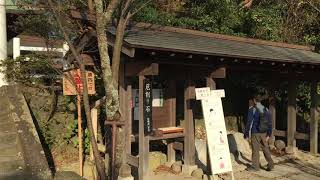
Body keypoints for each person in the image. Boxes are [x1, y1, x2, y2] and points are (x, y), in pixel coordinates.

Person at [244, 94, 274, 171]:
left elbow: (248, 122)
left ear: (254, 100)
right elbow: (270, 122)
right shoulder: (265, 109)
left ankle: (255, 167)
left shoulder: (252, 110)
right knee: (265, 148)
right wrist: (269, 134)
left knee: (255, 149)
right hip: (264, 133)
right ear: (260, 100)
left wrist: (246, 133)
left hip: (255, 132)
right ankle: (271, 165)